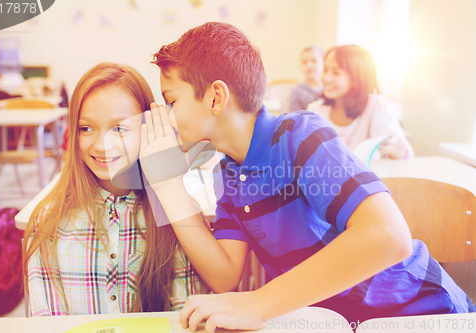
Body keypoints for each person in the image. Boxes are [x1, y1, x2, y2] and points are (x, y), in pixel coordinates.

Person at [142, 22, 475, 333]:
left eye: (171, 101)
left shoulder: (300, 136)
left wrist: (258, 303)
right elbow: (225, 274)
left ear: (216, 98)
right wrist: (169, 185)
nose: (167, 117)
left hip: (423, 313)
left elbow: (389, 236)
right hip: (339, 322)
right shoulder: (227, 173)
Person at [22, 62, 208, 316]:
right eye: (86, 128)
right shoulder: (47, 224)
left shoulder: (177, 216)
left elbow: (187, 319)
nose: (102, 145)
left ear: (147, 131)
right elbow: (46, 324)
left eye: (119, 129)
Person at [308, 44, 414, 159]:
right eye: (325, 70)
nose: (326, 78)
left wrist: (393, 146)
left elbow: (407, 156)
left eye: (336, 72)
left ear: (356, 77)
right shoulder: (315, 111)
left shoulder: (375, 105)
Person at [287, 46, 324, 112]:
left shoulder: (330, 89)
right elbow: (295, 118)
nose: (309, 65)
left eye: (314, 61)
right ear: (300, 66)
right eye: (304, 62)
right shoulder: (296, 93)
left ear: (324, 63)